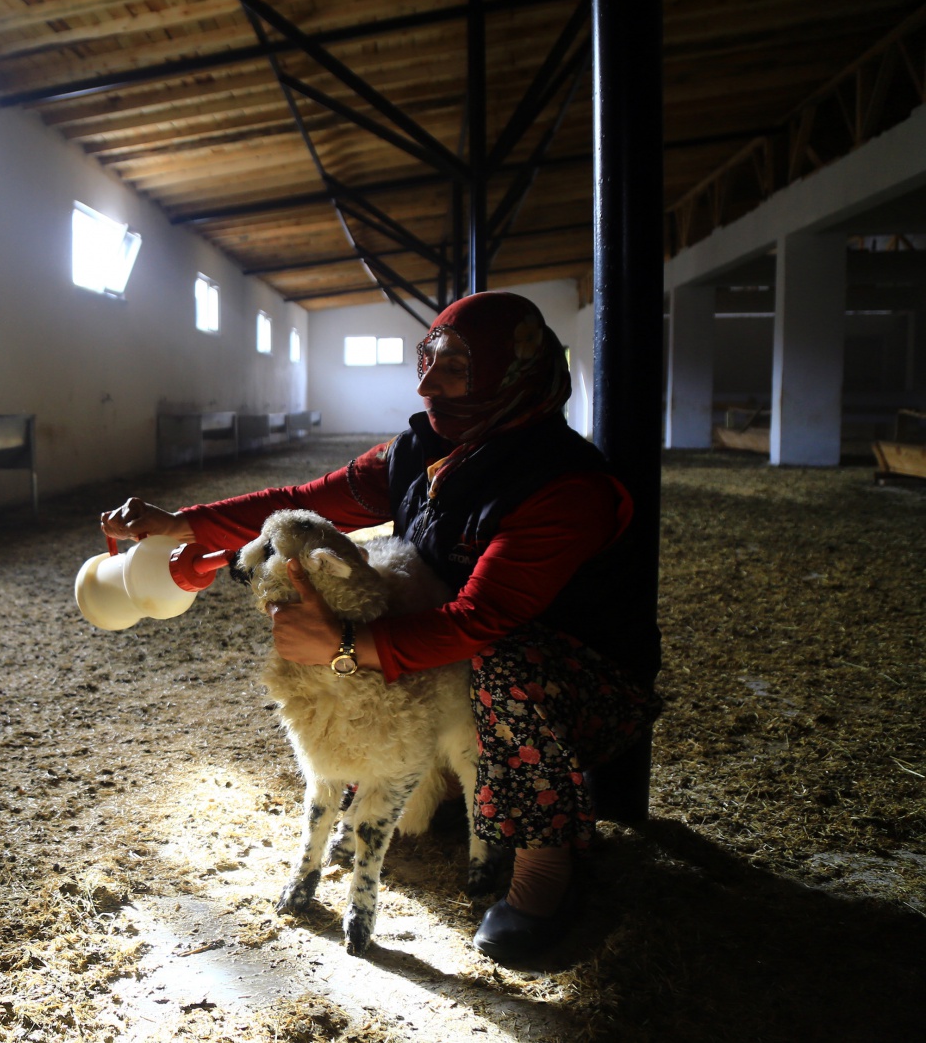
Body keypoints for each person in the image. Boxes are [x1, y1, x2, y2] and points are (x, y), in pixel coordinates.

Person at [100, 290, 662, 963]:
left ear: (511, 372)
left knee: (501, 663)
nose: (426, 384)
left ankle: (546, 865)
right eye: (427, 360)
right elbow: (303, 502)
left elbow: (479, 619)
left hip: (574, 683)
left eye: (455, 367)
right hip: (453, 656)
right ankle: (445, 782)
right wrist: (183, 524)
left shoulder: (563, 487)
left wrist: (341, 648)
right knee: (368, 616)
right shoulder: (422, 452)